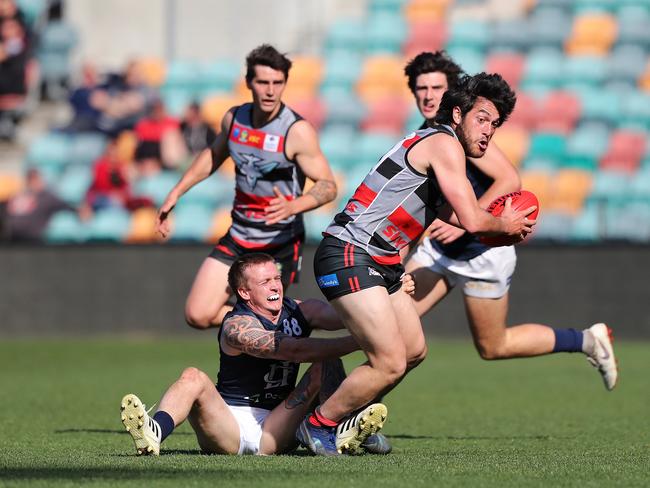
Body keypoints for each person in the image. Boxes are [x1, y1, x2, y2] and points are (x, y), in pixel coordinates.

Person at [297, 72, 536, 456]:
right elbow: (474, 220)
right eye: (482, 118)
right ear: (457, 114)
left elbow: (455, 217)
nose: (489, 130)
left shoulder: (439, 145)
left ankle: (347, 418)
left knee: (412, 351)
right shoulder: (444, 144)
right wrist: (501, 224)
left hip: (380, 262)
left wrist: (501, 229)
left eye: (495, 124)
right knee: (389, 362)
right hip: (350, 253)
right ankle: (318, 425)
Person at [403, 52, 618, 391]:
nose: (429, 95)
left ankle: (587, 340)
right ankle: (355, 415)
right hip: (440, 250)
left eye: (437, 87)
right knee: (395, 330)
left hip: (483, 249)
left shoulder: (465, 131)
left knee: (493, 347)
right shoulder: (428, 132)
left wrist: (464, 221)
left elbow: (509, 180)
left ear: (455, 96)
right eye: (421, 88)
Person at [120, 253, 388, 456]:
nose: (276, 287)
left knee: (328, 361)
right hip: (227, 427)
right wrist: (363, 340)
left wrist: (388, 293)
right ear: (245, 292)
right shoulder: (236, 325)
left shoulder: (301, 309)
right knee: (192, 377)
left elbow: (351, 314)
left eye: (276, 279)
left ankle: (338, 428)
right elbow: (293, 350)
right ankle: (154, 432)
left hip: (277, 424)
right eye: (265, 282)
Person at [156, 44, 337, 330]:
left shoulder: (296, 131)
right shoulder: (234, 119)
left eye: (277, 83)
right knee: (198, 314)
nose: (270, 90)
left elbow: (328, 186)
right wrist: (175, 193)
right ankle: (293, 317)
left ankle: (291, 317)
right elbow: (213, 156)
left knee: (267, 322)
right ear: (249, 83)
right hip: (239, 236)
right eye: (263, 82)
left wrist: (295, 205)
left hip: (278, 243)